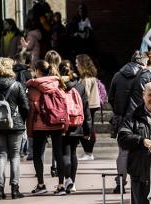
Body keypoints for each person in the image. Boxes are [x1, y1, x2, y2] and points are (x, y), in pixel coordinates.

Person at [0, 58, 29, 199]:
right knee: (15, 156)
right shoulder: (17, 85)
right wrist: (22, 119)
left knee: (1, 155)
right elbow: (25, 106)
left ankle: (0, 189)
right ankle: (14, 188)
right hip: (16, 125)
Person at [109, 51, 148, 194]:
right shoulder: (147, 75)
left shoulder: (117, 76)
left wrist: (119, 112)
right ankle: (143, 181)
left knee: (123, 153)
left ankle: (120, 183)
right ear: (144, 62)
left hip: (123, 119)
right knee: (144, 149)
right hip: (143, 119)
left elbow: (111, 98)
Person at [26, 60, 65, 195]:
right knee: (59, 153)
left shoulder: (33, 87)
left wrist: (29, 129)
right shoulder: (57, 83)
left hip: (40, 124)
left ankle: (41, 184)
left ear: (38, 71)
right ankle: (61, 185)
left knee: (37, 154)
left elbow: (31, 109)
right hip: (56, 122)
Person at [58, 59, 92, 194]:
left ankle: (67, 180)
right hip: (76, 123)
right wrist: (88, 129)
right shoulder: (79, 87)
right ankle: (73, 182)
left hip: (61, 124)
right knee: (73, 152)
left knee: (64, 152)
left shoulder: (57, 86)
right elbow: (86, 109)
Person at [76, 54, 100, 161]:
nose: (76, 65)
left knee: (87, 130)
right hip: (93, 105)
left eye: (77, 62)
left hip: (87, 106)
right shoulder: (92, 77)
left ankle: (88, 152)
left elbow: (84, 95)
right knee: (90, 129)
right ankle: (89, 152)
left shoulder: (85, 79)